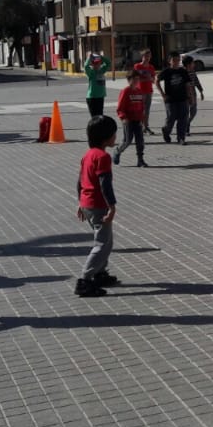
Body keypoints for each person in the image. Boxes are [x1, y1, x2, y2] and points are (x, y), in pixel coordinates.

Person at [76, 115, 120, 297]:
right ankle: (85, 280)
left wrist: (80, 202)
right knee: (103, 244)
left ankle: (100, 273)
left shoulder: (88, 155)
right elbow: (105, 185)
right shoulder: (103, 157)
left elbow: (80, 181)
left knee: (106, 241)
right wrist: (112, 207)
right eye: (114, 133)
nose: (115, 136)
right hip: (99, 205)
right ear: (105, 137)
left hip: (87, 204)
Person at [112, 71, 148, 167]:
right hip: (128, 120)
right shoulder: (126, 91)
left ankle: (140, 160)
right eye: (134, 79)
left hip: (138, 120)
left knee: (140, 141)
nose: (136, 81)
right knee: (127, 140)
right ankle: (117, 151)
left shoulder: (139, 91)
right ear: (129, 80)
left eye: (138, 79)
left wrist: (142, 119)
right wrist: (123, 117)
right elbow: (120, 107)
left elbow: (142, 107)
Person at [159, 51, 194, 145]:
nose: (176, 62)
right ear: (169, 61)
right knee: (171, 118)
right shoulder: (166, 71)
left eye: (178, 60)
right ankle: (166, 131)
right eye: (174, 60)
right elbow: (156, 80)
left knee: (183, 119)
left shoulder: (183, 71)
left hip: (183, 98)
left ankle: (181, 138)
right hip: (170, 99)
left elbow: (188, 84)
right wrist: (162, 94)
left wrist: (190, 96)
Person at [133, 49, 158, 135]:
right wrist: (146, 79)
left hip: (149, 91)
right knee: (140, 110)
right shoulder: (137, 66)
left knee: (147, 110)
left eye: (149, 56)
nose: (147, 58)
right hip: (140, 91)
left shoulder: (151, 67)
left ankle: (146, 127)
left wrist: (151, 79)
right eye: (146, 56)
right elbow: (135, 79)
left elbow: (153, 79)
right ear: (142, 56)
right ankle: (139, 127)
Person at [183, 56, 205, 131]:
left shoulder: (192, 71)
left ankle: (187, 123)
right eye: (193, 62)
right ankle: (185, 127)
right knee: (185, 112)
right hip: (185, 94)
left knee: (193, 111)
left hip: (193, 93)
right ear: (188, 64)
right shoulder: (182, 72)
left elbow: (196, 81)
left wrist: (201, 92)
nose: (194, 64)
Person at [84, 52, 109, 118]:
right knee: (94, 118)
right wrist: (89, 58)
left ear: (100, 63)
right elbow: (86, 66)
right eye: (95, 63)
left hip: (100, 96)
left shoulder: (102, 70)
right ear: (92, 64)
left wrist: (101, 57)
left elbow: (108, 63)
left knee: (100, 117)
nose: (97, 65)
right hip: (92, 98)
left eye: (98, 63)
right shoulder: (91, 72)